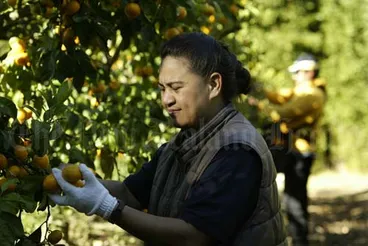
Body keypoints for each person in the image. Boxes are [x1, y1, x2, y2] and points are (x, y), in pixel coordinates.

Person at [49, 32, 287, 246]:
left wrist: (105, 207)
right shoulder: (183, 142)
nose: (166, 100)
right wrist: (69, 179)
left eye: (176, 87)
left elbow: (192, 236)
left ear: (213, 85)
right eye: (162, 88)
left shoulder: (237, 150)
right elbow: (129, 192)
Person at [255, 53, 327, 246]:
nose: (294, 76)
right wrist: (255, 87)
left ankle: (300, 241)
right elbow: (280, 97)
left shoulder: (313, 95)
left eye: (298, 72)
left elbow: (284, 112)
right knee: (289, 199)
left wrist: (260, 105)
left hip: (300, 153)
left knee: (294, 202)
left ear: (310, 72)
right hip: (291, 150)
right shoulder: (301, 91)